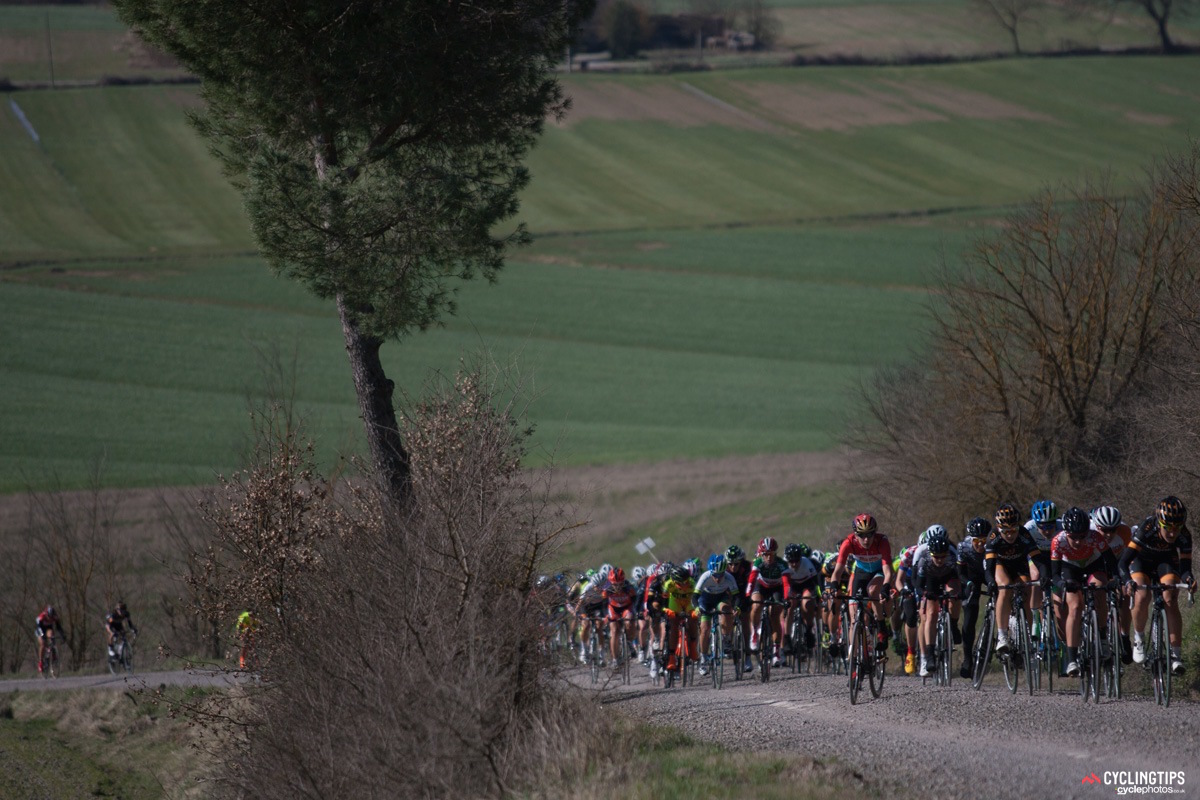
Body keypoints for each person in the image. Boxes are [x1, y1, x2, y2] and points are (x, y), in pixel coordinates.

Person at [1121, 496, 1195, 675]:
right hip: (1141, 562)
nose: (1172, 533)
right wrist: (1127, 581)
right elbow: (1123, 562)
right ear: (1159, 522)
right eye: (1168, 528)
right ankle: (1138, 638)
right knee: (1142, 595)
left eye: (1177, 528)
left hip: (1165, 562)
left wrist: (1189, 580)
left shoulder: (1184, 536)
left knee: (1170, 597)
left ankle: (1176, 656)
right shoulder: (1146, 529)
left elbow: (1185, 569)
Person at [1051, 506, 1117, 677]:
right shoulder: (1058, 541)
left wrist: (1115, 579)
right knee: (1075, 606)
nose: (1079, 541)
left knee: (1099, 589)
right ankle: (1072, 658)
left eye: (1083, 536)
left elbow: (1110, 562)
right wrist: (1063, 585)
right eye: (1074, 537)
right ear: (1066, 533)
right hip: (1069, 568)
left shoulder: (1095, 537)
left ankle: (1102, 638)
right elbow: (1055, 574)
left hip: (1092, 565)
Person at [831, 513, 895, 654]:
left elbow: (888, 572)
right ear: (855, 534)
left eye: (870, 535)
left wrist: (885, 587)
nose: (866, 540)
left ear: (875, 533)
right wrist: (834, 586)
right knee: (854, 618)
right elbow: (837, 572)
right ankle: (855, 661)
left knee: (873, 591)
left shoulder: (882, 542)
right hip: (861, 572)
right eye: (862, 535)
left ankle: (881, 627)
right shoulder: (848, 542)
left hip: (879, 572)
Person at [985, 503, 1041, 656]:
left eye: (1013, 530)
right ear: (999, 529)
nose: (1010, 535)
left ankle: (1027, 636)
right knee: (1005, 587)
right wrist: (990, 581)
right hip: (1000, 565)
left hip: (1020, 565)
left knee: (1026, 591)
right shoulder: (993, 537)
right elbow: (989, 567)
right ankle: (1002, 636)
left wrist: (1046, 575)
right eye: (1006, 531)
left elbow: (1038, 559)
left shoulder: (1024, 534)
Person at [911, 529, 960, 678]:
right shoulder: (924, 560)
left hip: (948, 576)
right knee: (931, 614)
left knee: (954, 595)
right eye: (936, 557)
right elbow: (917, 584)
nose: (939, 560)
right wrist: (924, 593)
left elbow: (961, 577)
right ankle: (930, 653)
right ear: (931, 554)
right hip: (930, 580)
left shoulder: (952, 557)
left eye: (942, 556)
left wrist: (962, 590)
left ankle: (953, 624)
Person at [746, 537, 793, 668]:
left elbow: (786, 584)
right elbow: (751, 580)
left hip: (776, 588)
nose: (768, 558)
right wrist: (747, 595)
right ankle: (755, 633)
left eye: (771, 554)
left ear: (775, 553)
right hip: (760, 586)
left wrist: (786, 599)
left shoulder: (782, 564)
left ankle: (776, 651)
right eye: (765, 555)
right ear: (761, 554)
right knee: (756, 604)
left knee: (775, 616)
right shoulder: (758, 563)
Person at [693, 554, 738, 676]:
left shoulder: (729, 577)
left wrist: (736, 607)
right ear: (710, 572)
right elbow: (695, 596)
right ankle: (703, 658)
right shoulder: (705, 577)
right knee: (705, 628)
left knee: (726, 609)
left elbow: (736, 596)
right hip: (705, 600)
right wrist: (696, 608)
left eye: (720, 575)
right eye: (715, 575)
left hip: (720, 598)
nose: (718, 578)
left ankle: (726, 639)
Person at [957, 516, 990, 677]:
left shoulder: (993, 546)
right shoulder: (964, 547)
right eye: (977, 541)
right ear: (971, 539)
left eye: (984, 541)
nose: (981, 545)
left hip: (990, 572)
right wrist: (968, 584)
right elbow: (960, 573)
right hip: (973, 576)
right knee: (970, 611)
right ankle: (967, 658)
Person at [35, 605, 64, 675]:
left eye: (51, 617)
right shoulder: (41, 617)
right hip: (40, 630)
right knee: (42, 644)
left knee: (52, 636)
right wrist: (42, 635)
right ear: (46, 614)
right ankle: (41, 662)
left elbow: (59, 627)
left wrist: (62, 635)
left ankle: (53, 654)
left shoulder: (55, 617)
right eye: (49, 616)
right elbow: (38, 628)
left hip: (48, 629)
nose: (50, 618)